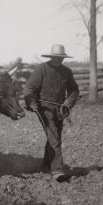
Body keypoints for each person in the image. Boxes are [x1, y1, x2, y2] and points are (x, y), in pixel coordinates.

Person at [23, 44, 79, 182]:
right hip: (44, 108)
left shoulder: (67, 71)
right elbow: (29, 89)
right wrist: (33, 105)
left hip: (60, 110)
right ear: (51, 57)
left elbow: (74, 91)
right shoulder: (41, 69)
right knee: (54, 137)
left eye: (61, 58)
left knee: (54, 136)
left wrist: (68, 103)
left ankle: (46, 165)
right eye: (56, 57)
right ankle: (57, 170)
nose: (59, 60)